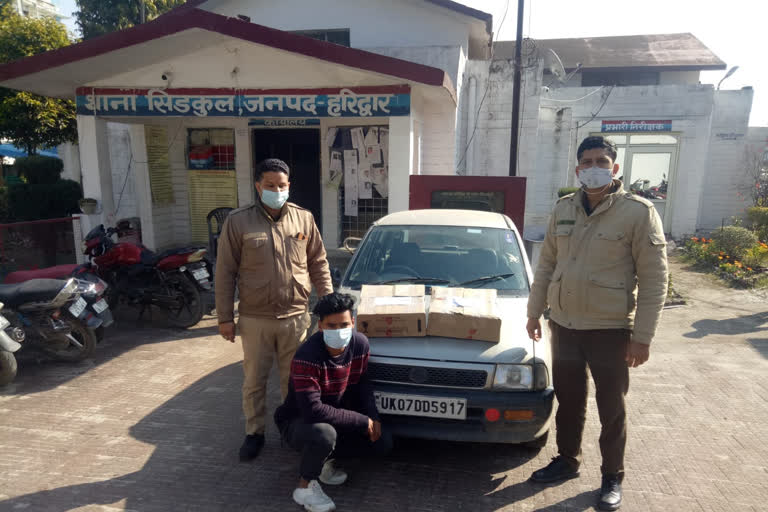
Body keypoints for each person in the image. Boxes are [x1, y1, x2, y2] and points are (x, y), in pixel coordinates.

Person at [525, 136, 668, 511]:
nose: (594, 167)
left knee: (611, 407)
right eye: (587, 161)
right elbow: (547, 264)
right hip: (566, 325)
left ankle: (612, 476)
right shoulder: (564, 208)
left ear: (615, 167)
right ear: (577, 169)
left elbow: (655, 279)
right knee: (569, 400)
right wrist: (534, 310)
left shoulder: (638, 212)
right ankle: (567, 460)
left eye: (602, 160)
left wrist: (643, 337)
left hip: (610, 328)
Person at [215, 158, 333, 462]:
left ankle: (290, 431)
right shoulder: (238, 221)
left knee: (293, 382)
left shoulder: (303, 219)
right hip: (256, 319)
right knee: (254, 380)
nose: (276, 190)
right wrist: (225, 317)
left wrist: (329, 305)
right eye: (270, 185)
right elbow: (225, 271)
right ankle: (254, 433)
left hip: (296, 317)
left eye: (282, 186)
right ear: (258, 186)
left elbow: (318, 263)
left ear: (289, 186)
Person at [275, 292, 392, 512]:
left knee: (383, 442)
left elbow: (362, 384)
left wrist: (373, 419)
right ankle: (305, 488)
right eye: (331, 326)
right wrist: (361, 420)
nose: (339, 331)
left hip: (336, 414)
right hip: (299, 422)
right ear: (320, 326)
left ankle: (324, 463)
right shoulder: (306, 356)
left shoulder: (359, 344)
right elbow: (312, 411)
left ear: (353, 322)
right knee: (323, 434)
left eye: (344, 324)